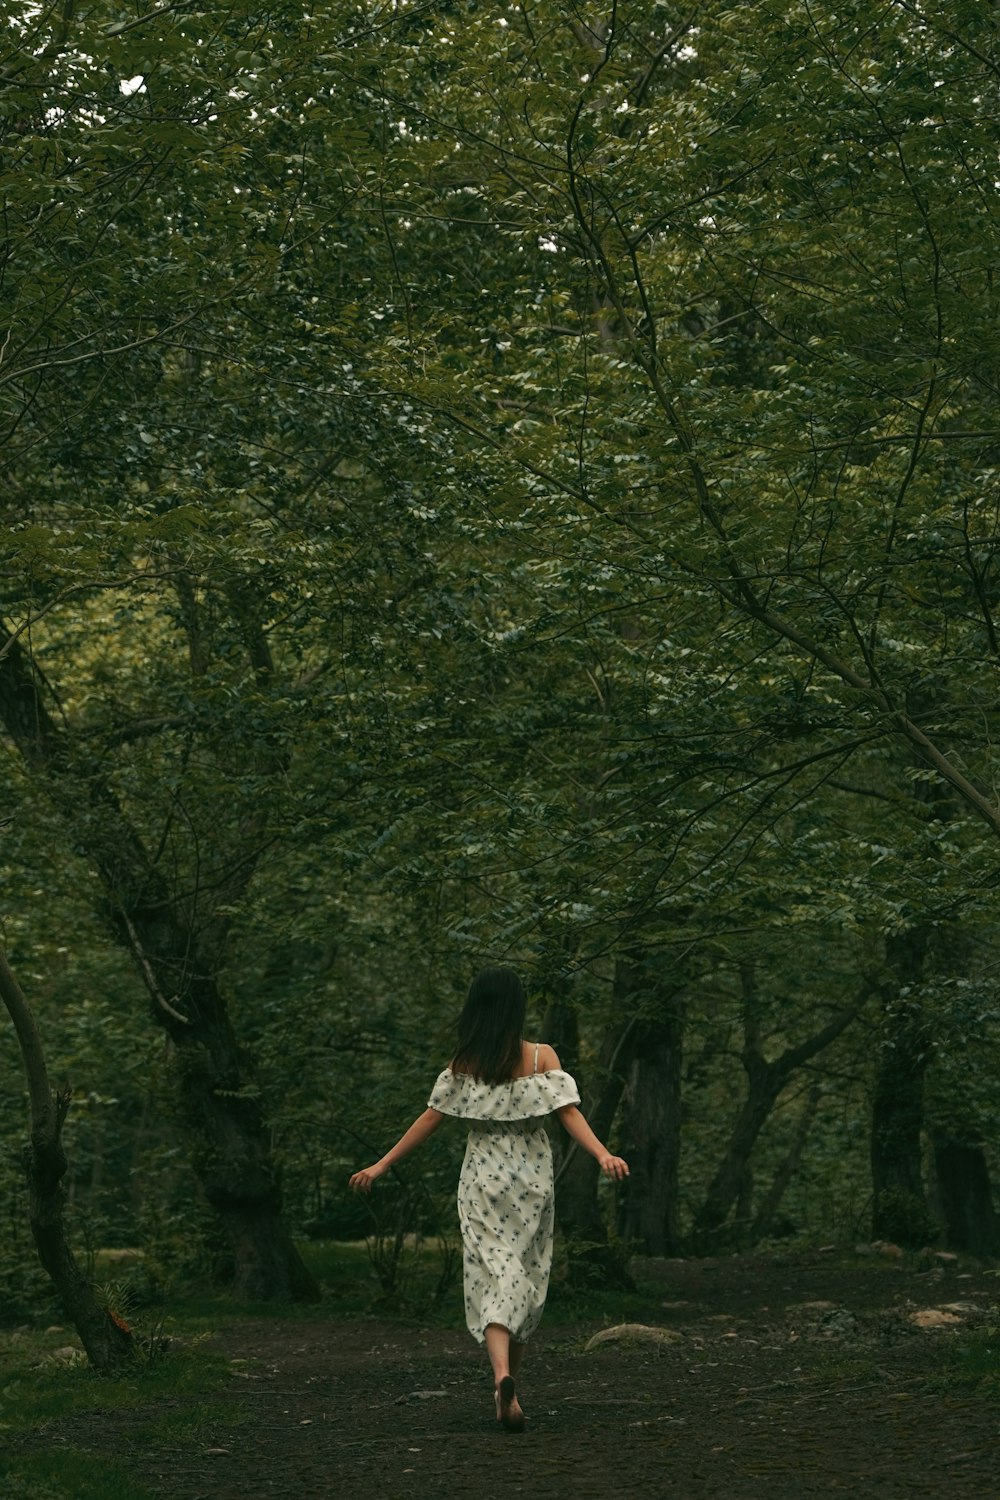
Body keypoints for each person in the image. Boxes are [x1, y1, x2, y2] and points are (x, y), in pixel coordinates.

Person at [349, 965, 629, 1432]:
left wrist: (381, 1165)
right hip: (531, 1181)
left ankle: (502, 1379)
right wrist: (602, 1154)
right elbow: (568, 1113)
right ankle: (509, 1387)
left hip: (482, 1179)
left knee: (494, 1274)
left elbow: (430, 1120)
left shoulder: (465, 1065)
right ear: (517, 1006)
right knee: (525, 1274)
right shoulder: (541, 1058)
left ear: (475, 1007)